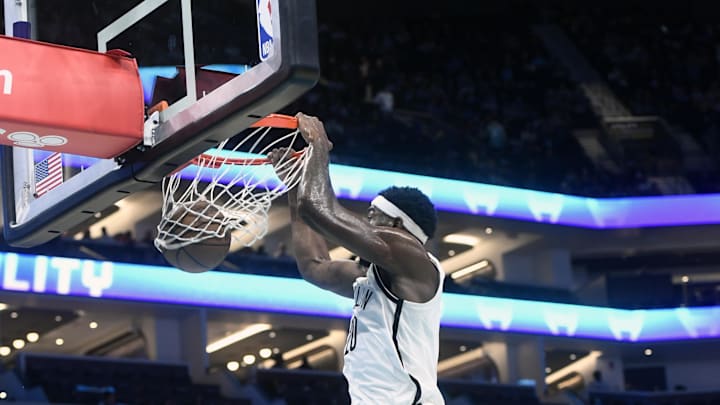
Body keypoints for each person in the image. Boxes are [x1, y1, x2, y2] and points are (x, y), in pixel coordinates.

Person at [268, 113, 445, 404]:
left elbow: (318, 209)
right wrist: (293, 183)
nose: (367, 224)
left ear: (399, 227)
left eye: (374, 218)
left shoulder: (414, 259)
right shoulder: (375, 278)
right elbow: (314, 266)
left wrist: (319, 147)